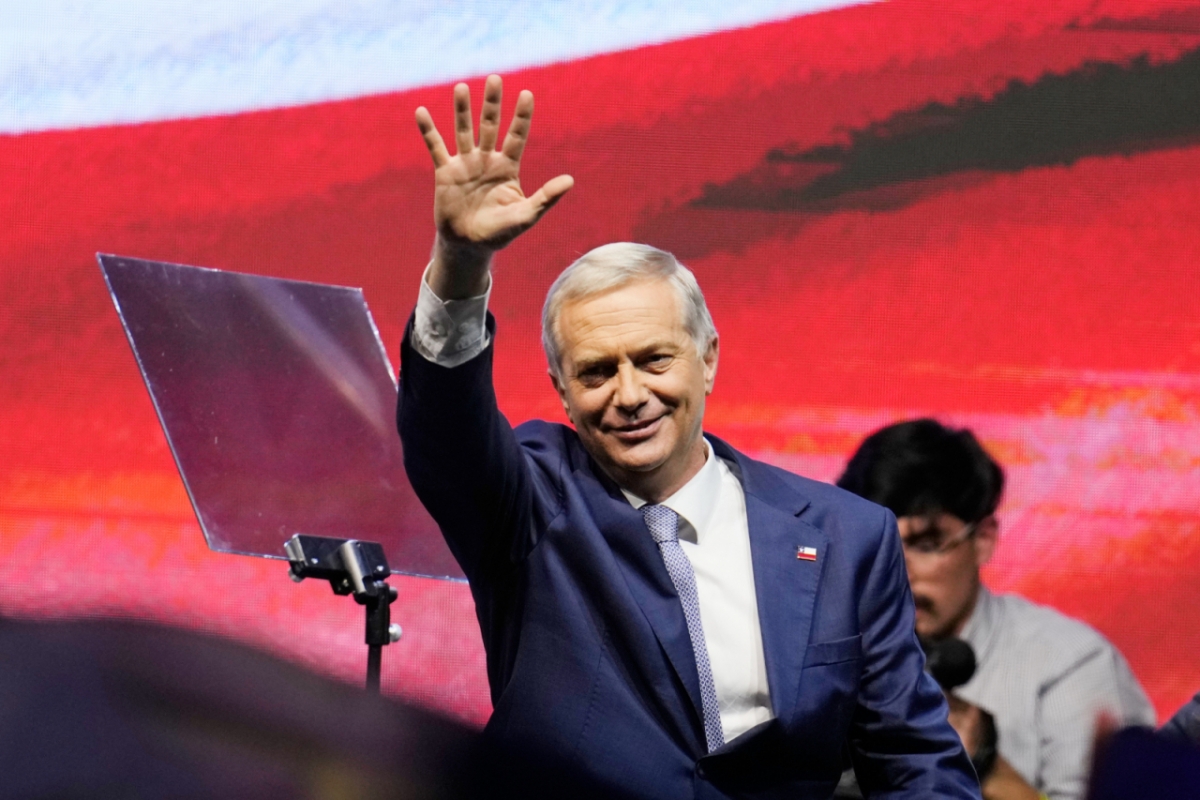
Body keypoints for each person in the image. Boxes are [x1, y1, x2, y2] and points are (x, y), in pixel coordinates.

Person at [396, 75, 979, 799]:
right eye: (596, 372)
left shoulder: (846, 537)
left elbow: (914, 757)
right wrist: (460, 262)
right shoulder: (531, 502)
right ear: (562, 392)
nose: (629, 394)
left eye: (654, 360)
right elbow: (445, 432)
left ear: (708, 359)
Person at [837, 419, 1155, 800]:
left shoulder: (1071, 667)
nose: (898, 574)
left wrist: (985, 764)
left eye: (926, 544)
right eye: (876, 548)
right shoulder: (821, 661)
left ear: (983, 539)